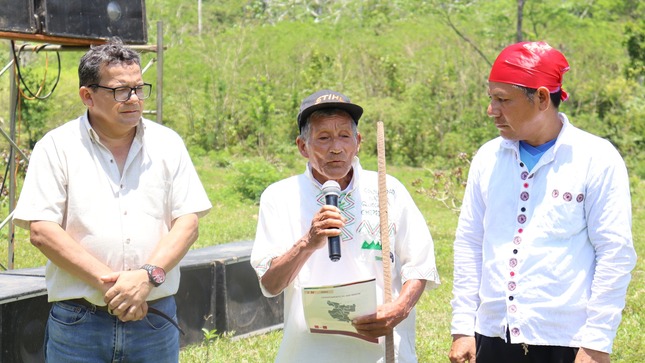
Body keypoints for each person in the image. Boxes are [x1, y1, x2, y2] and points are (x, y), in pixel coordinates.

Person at [13, 40, 212, 362]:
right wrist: (115, 287)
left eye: (138, 88)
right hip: (80, 322)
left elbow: (187, 224)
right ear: (87, 96)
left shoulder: (167, 143)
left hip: (154, 317)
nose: (134, 99)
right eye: (121, 91)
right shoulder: (56, 146)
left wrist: (146, 277)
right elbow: (42, 230)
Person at [448, 41, 637, 363]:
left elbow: (614, 253)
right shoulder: (488, 158)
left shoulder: (595, 158)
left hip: (565, 339)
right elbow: (470, 242)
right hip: (493, 334)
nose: (491, 110)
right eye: (491, 98)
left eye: (502, 100)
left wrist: (596, 343)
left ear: (541, 98)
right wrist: (463, 326)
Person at [250, 89, 440, 363]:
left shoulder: (388, 190)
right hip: (309, 353)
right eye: (323, 138)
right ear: (303, 147)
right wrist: (307, 243)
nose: (336, 148)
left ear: (358, 141)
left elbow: (420, 262)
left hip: (382, 352)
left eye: (344, 136)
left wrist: (400, 309)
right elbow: (270, 283)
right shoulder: (279, 197)